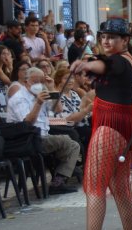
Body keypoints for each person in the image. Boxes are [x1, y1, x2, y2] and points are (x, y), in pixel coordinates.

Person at [65, 19, 132, 230]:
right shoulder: (127, 61)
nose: (107, 40)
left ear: (125, 40)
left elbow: (105, 64)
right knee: (119, 184)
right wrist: (88, 66)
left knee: (94, 184)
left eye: (113, 37)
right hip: (122, 125)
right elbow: (102, 68)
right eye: (104, 37)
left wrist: (86, 63)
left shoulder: (120, 60)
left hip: (111, 125)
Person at [6, 66, 80, 194]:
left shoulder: (41, 94)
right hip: (27, 139)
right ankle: (67, 169)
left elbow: (58, 109)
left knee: (73, 145)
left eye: (41, 81)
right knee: (66, 140)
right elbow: (27, 123)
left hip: (43, 136)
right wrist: (38, 103)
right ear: (26, 82)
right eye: (35, 82)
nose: (38, 85)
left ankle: (58, 181)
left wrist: (51, 88)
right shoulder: (19, 98)